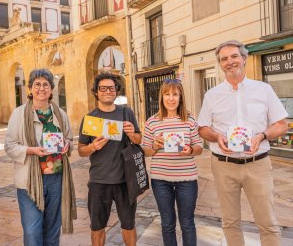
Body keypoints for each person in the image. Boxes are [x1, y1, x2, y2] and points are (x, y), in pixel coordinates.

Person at [198, 40, 288, 246]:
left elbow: (282, 125)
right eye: (224, 59)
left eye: (234, 56)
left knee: (268, 222)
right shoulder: (211, 95)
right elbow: (202, 128)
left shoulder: (263, 89)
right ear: (220, 64)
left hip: (258, 164)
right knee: (230, 222)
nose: (230, 62)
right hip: (223, 165)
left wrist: (262, 136)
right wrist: (216, 137)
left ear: (244, 59)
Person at [4, 69, 76, 246]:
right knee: (32, 230)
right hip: (29, 180)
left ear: (51, 89)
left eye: (46, 85)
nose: (41, 88)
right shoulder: (19, 114)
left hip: (57, 178)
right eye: (37, 84)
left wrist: (67, 145)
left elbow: (69, 139)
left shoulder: (61, 114)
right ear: (30, 88)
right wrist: (31, 150)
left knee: (52, 229)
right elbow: (10, 147)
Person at [78, 72, 142, 246]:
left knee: (128, 225)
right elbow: (81, 151)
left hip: (125, 181)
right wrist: (93, 147)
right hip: (99, 181)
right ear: (96, 92)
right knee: (97, 227)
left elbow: (139, 140)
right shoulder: (90, 119)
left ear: (116, 91)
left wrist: (131, 134)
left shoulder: (126, 113)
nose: (107, 91)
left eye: (111, 88)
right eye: (103, 88)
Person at [142, 79, 203, 246]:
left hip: (187, 180)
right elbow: (145, 151)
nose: (171, 98)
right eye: (167, 94)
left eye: (175, 94)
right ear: (161, 97)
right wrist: (155, 145)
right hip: (161, 181)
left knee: (187, 224)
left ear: (180, 97)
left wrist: (190, 150)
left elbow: (199, 146)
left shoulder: (190, 119)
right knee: (167, 223)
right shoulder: (152, 122)